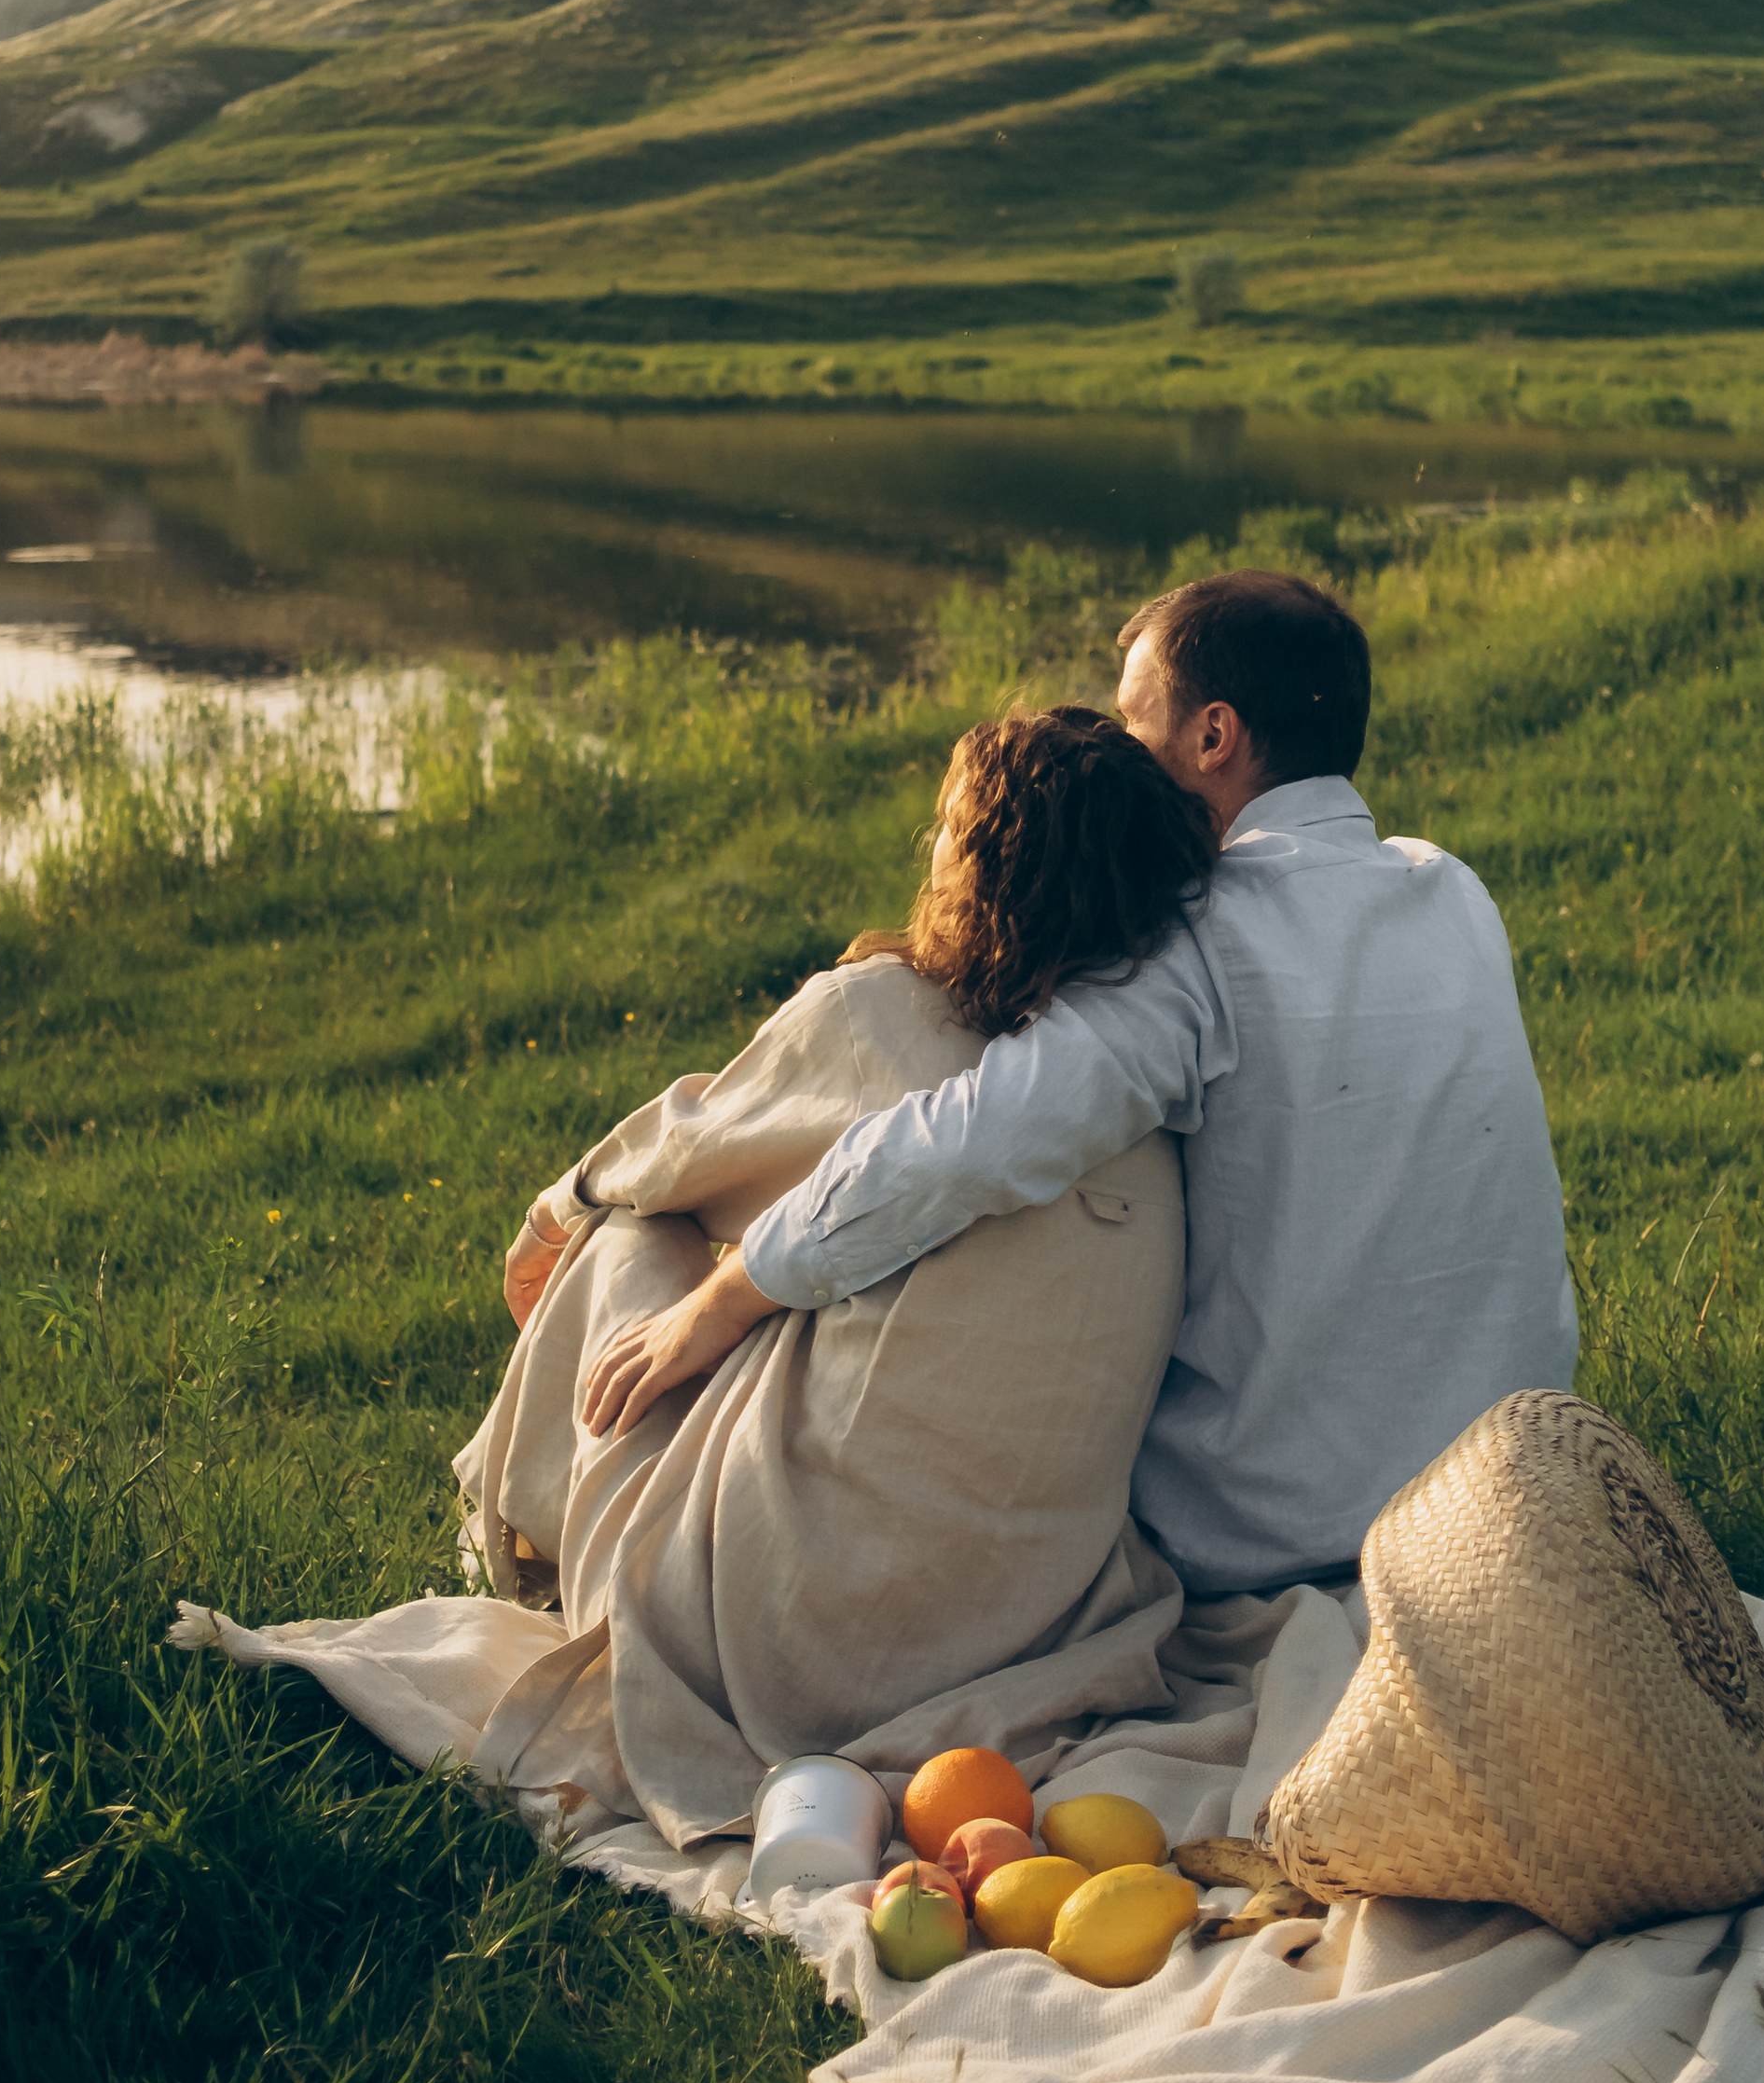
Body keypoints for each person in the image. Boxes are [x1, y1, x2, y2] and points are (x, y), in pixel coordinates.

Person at [563, 566, 1578, 1604]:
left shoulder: (1199, 943)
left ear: (1212, 736)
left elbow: (966, 1144)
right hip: (1512, 1487)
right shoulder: (1451, 890)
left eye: (1137, 725)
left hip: (1278, 1528)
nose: (1117, 755)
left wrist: (731, 1295)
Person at [463, 705, 1217, 1842]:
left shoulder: (883, 1015)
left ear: (974, 860)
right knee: (821, 1278)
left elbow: (682, 1152)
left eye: (944, 829)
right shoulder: (1146, 1099)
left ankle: (508, 1525)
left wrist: (553, 1213)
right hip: (1024, 1631)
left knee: (631, 1237)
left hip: (786, 1640)